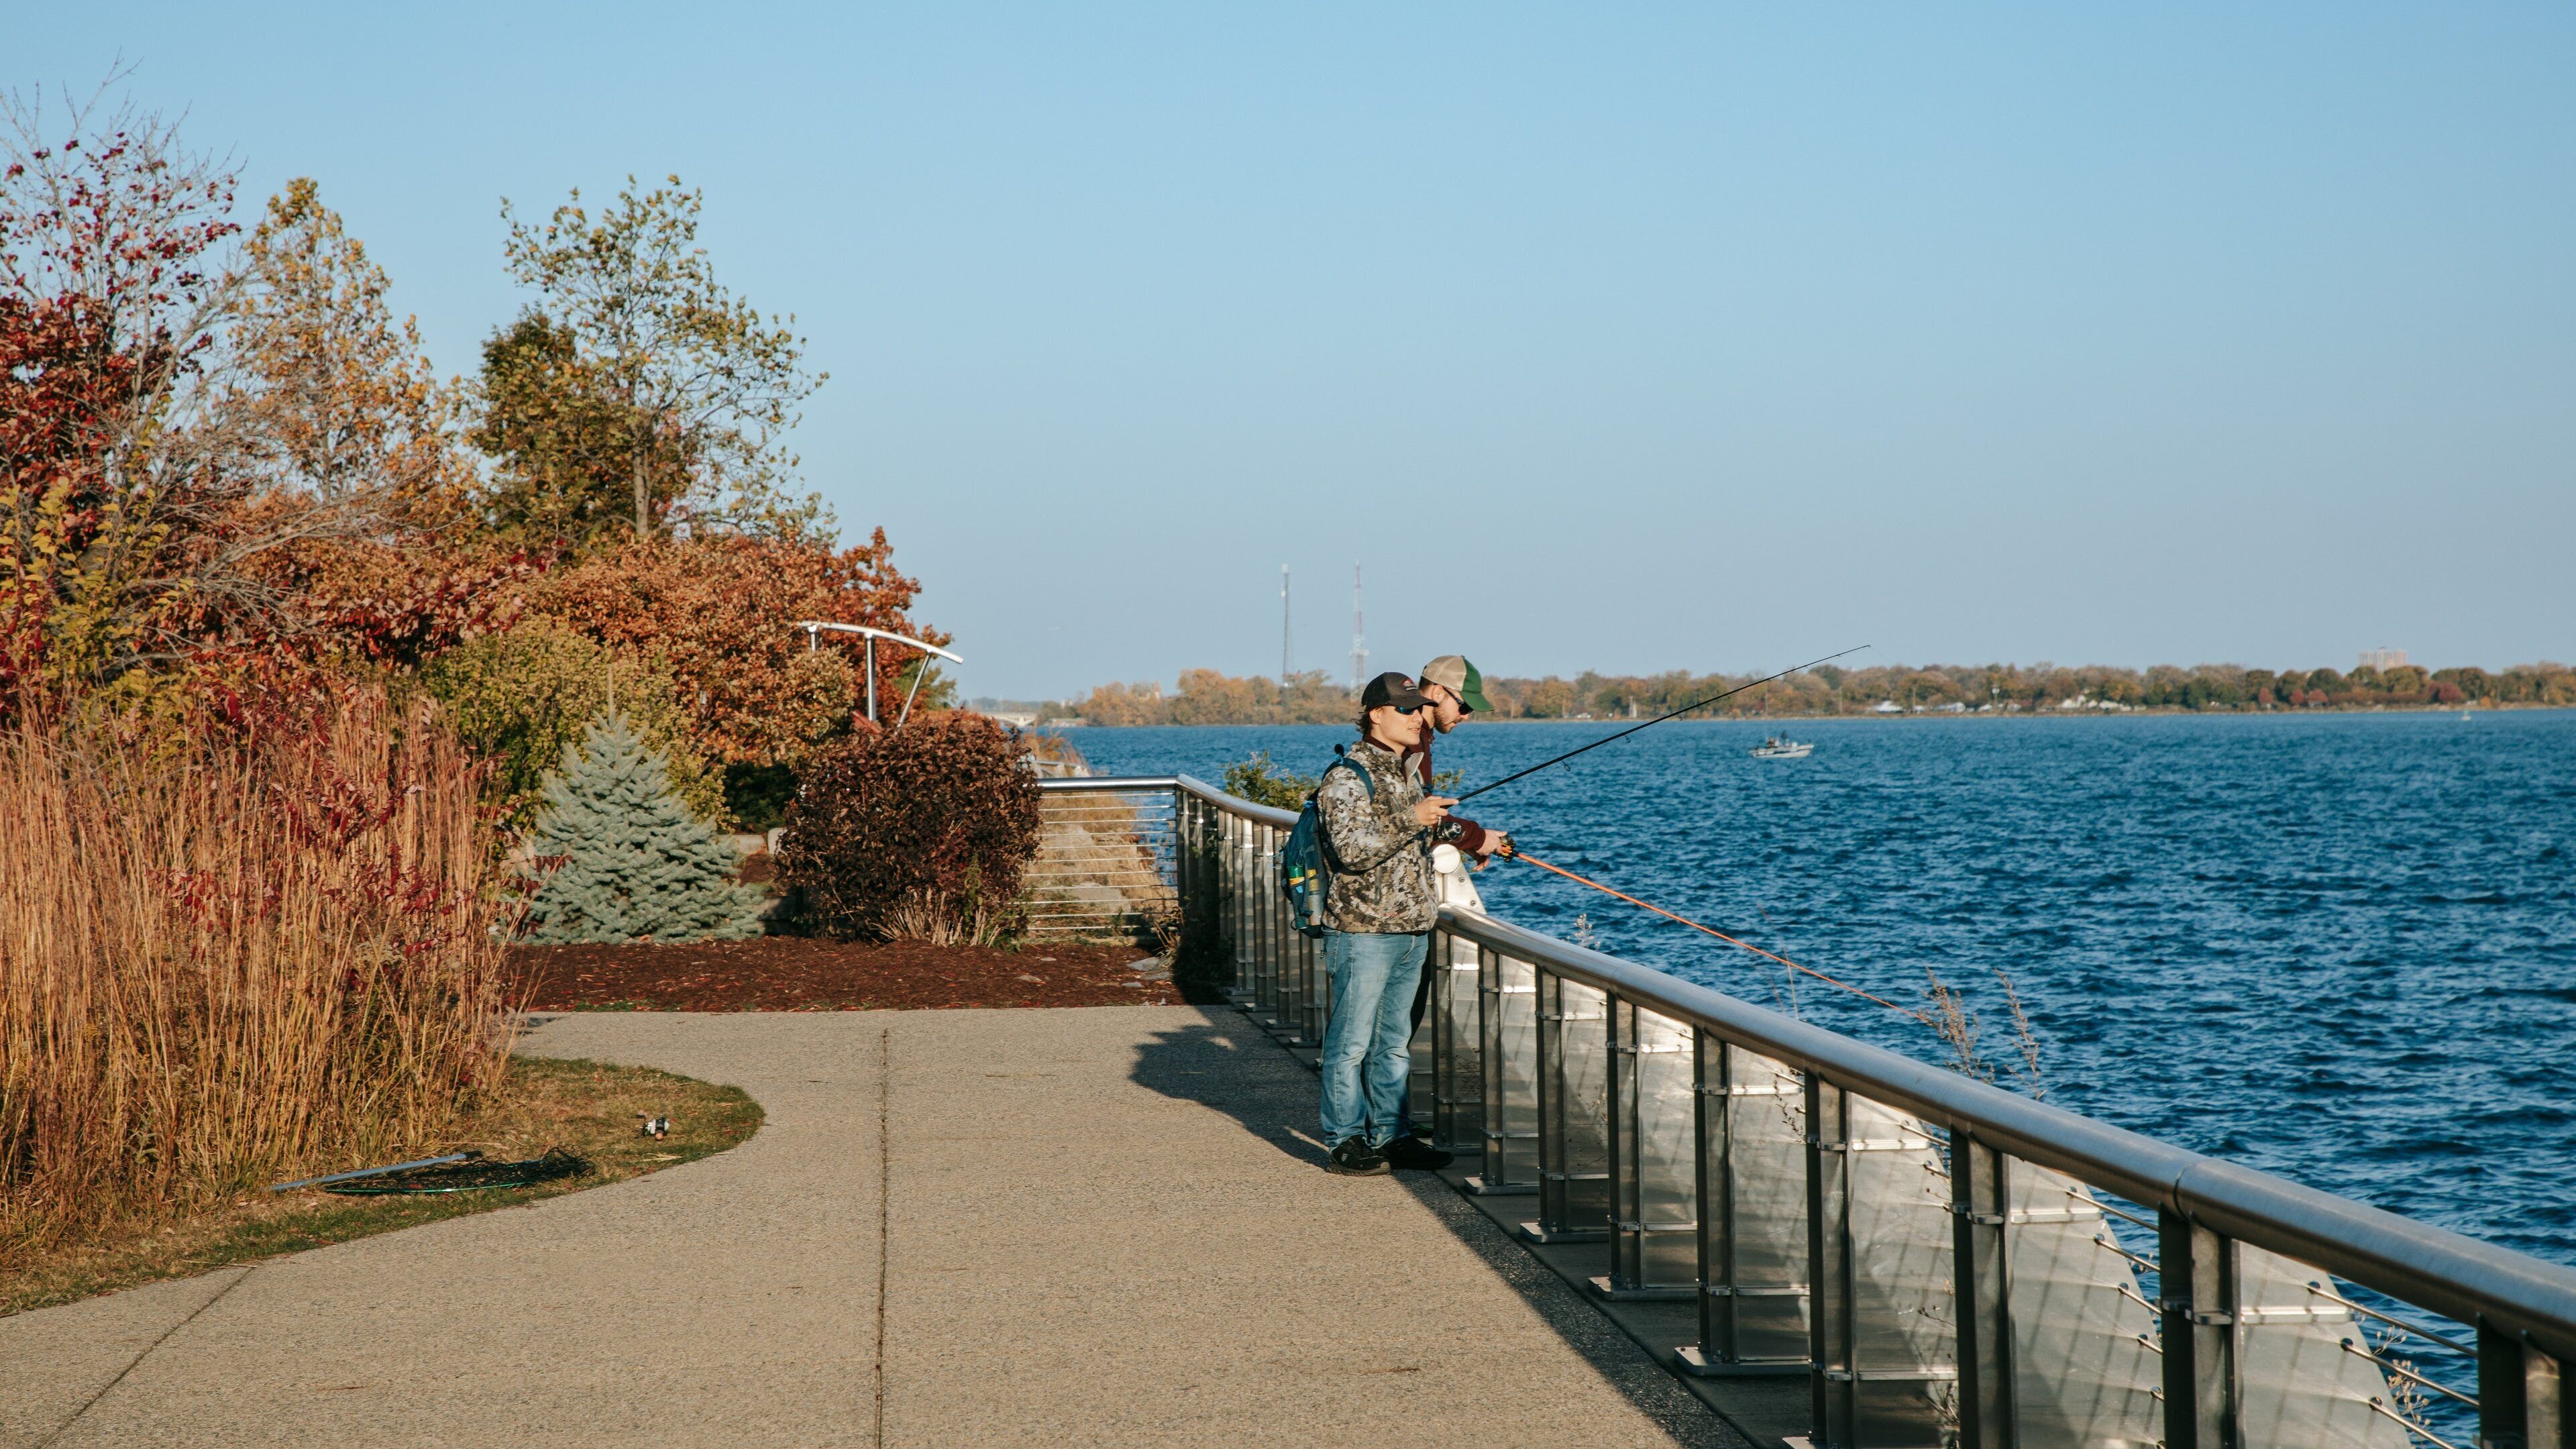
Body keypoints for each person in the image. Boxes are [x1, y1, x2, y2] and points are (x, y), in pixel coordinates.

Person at [1313, 672, 1458, 1175]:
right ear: (1376, 714)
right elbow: (1352, 852)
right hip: (1363, 932)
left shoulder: (1406, 772)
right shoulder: (1348, 776)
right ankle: (1345, 1139)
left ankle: (1392, 1134)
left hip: (1412, 928)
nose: (1419, 717)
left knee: (1394, 1042)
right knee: (1351, 1042)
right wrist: (1413, 820)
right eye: (1406, 709)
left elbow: (1405, 839)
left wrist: (1464, 837)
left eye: (1420, 709)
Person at [1405, 655, 1506, 1038]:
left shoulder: (1418, 740)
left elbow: (1419, 819)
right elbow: (1414, 816)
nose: (1466, 716)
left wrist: (1468, 840)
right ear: (1435, 691)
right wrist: (1479, 839)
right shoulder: (1412, 741)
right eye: (1463, 706)